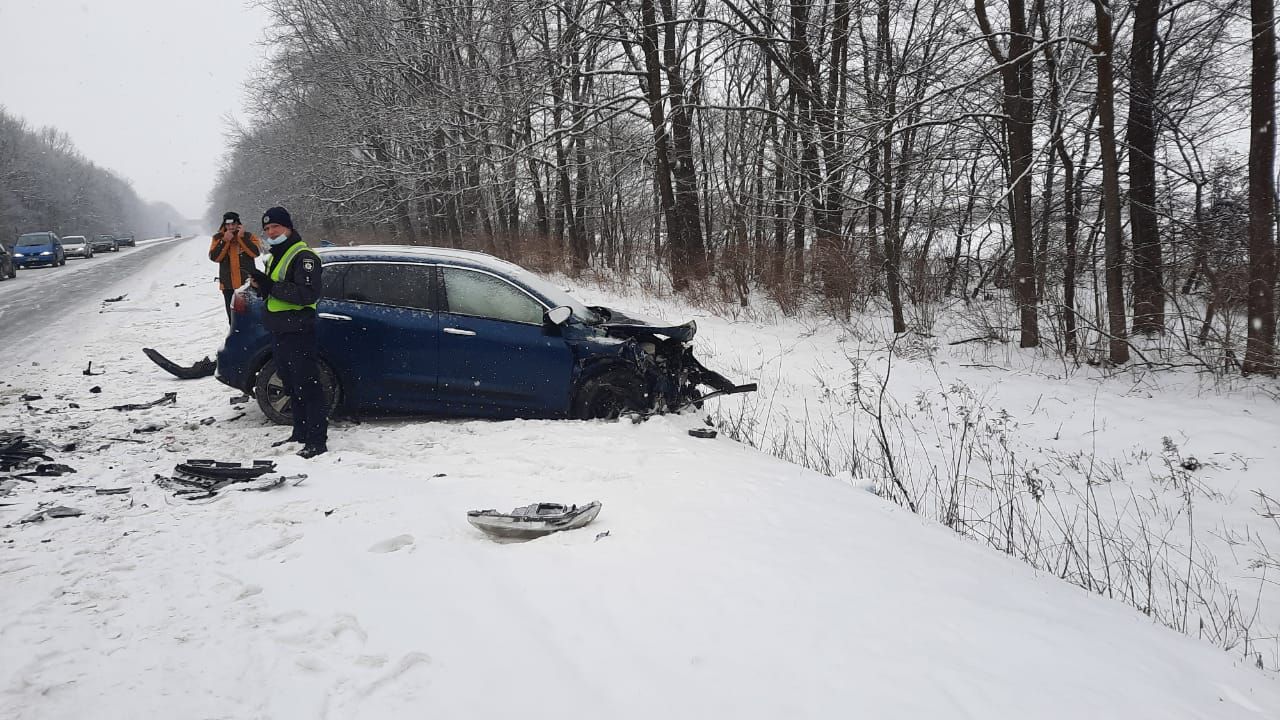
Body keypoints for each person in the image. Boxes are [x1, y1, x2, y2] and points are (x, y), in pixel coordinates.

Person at [250, 206, 328, 459]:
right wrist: (261, 286)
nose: (271, 232)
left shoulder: (303, 256)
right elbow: (275, 291)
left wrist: (270, 285)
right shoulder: (275, 255)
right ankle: (300, 432)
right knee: (291, 384)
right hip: (280, 331)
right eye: (267, 229)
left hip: (298, 331)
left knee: (308, 385)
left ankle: (317, 441)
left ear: (288, 228)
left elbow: (306, 295)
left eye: (276, 227)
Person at [208, 212, 263, 324]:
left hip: (248, 285)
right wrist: (224, 241)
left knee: (252, 317)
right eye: (228, 225)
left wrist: (242, 238)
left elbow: (256, 253)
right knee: (233, 320)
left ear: (238, 224)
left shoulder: (248, 236)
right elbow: (214, 257)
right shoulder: (217, 238)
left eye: (233, 224)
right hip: (228, 286)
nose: (231, 227)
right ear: (224, 225)